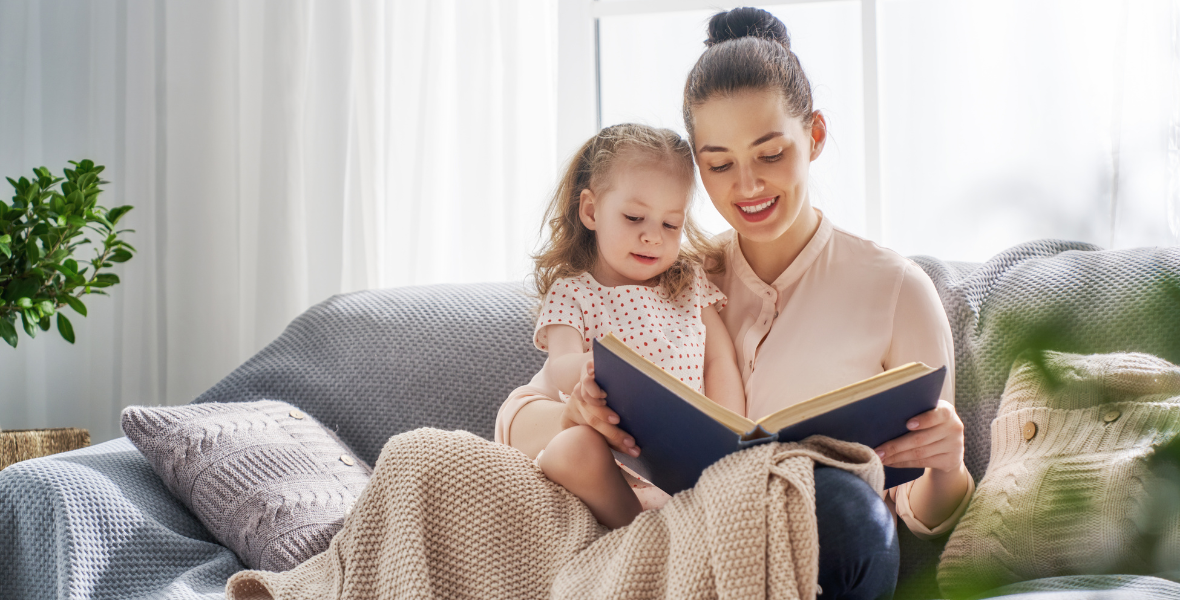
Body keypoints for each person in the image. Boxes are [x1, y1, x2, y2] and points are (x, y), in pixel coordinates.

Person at [498, 7, 974, 599]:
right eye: (719, 164)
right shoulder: (670, 276)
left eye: (770, 154)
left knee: (847, 508)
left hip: (826, 554)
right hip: (681, 540)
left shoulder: (897, 291)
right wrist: (577, 416)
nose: (746, 187)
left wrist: (946, 467)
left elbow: (916, 513)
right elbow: (517, 417)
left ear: (815, 137)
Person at [516, 122, 745, 529]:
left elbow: (720, 358)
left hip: (682, 460)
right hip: (612, 460)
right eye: (635, 217)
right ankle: (637, 536)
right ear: (591, 211)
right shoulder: (575, 293)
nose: (652, 237)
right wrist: (595, 368)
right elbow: (559, 364)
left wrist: (727, 432)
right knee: (572, 447)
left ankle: (663, 527)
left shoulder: (688, 284)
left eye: (670, 224)